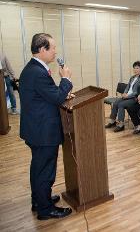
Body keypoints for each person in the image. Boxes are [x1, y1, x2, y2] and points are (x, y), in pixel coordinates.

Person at [19, 33, 73, 220]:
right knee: (45, 170)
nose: (55, 51)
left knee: (38, 168)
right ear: (42, 50)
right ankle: (45, 209)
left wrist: (60, 93)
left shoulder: (32, 69)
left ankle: (39, 200)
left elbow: (47, 95)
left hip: (35, 129)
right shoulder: (38, 72)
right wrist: (66, 80)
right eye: (53, 48)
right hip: (43, 132)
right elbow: (56, 97)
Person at [105, 61, 140, 132]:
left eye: (137, 68)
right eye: (134, 68)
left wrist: (128, 95)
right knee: (115, 103)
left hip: (134, 98)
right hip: (127, 96)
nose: (135, 70)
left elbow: (138, 92)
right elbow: (127, 87)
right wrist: (124, 93)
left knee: (121, 104)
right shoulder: (132, 77)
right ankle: (112, 121)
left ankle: (121, 124)